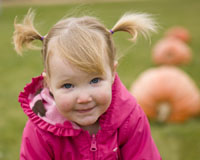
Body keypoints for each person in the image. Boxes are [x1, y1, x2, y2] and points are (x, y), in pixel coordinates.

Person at [13, 9, 161, 160]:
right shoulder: (40, 129)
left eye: (95, 81)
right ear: (48, 83)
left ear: (112, 73)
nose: (84, 98)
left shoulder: (129, 118)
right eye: (68, 85)